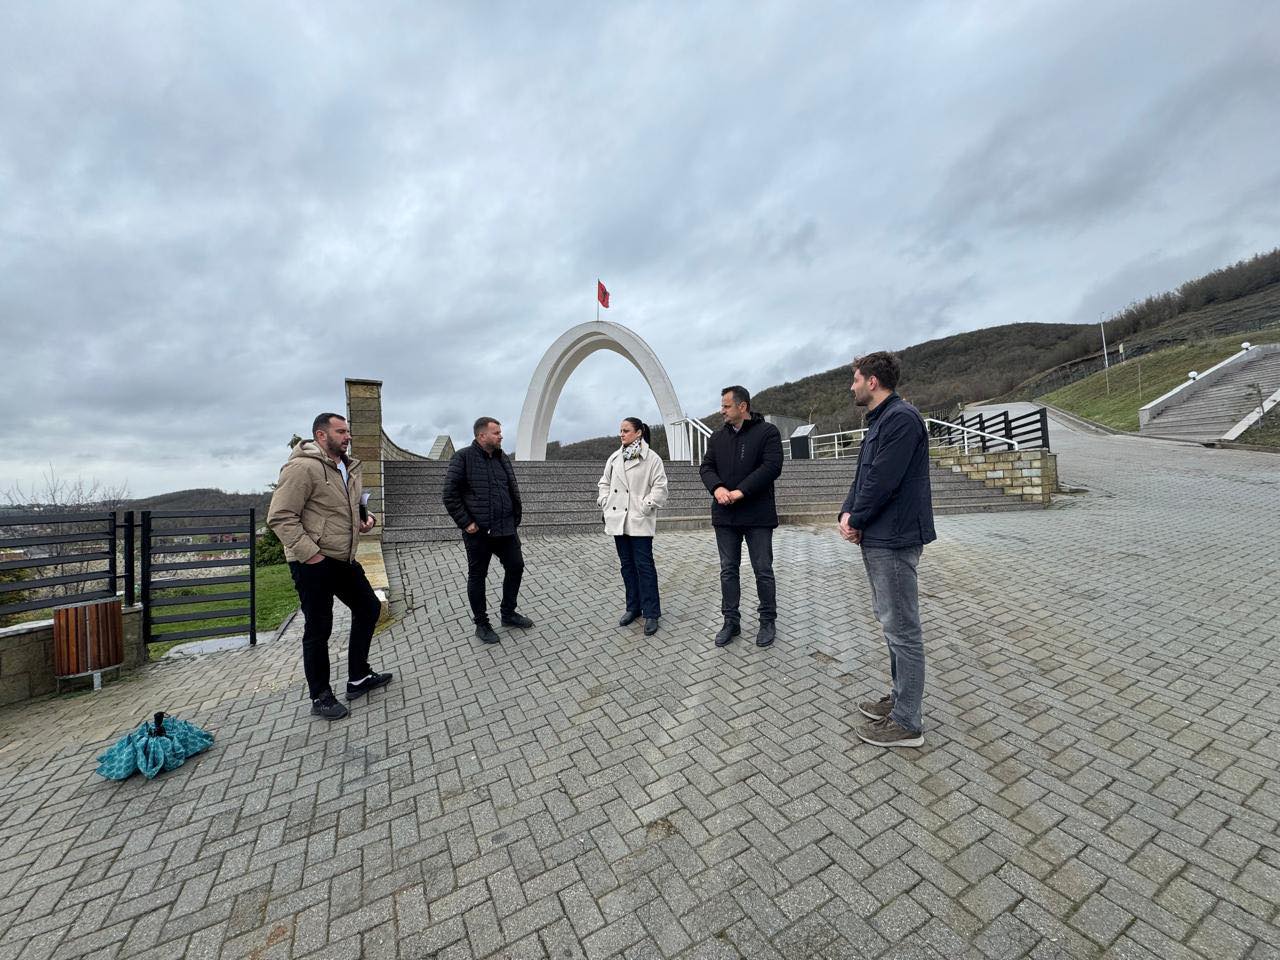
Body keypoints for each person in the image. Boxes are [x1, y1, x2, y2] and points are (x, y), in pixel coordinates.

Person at [838, 352, 936, 749]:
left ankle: (908, 722)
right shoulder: (882, 420)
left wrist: (857, 518)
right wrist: (848, 512)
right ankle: (899, 700)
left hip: (893, 538)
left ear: (873, 381)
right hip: (880, 535)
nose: (852, 385)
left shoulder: (900, 419)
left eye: (856, 378)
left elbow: (883, 480)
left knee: (903, 629)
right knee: (891, 624)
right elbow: (864, 473)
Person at [268, 413, 391, 721]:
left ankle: (358, 677)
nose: (347, 436)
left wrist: (366, 518)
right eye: (340, 431)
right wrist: (312, 555)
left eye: (348, 431)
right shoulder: (302, 467)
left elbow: (348, 507)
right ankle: (320, 696)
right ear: (321, 436)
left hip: (343, 557)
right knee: (319, 628)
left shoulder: (345, 466)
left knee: (368, 608)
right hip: (312, 562)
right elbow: (280, 516)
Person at [699, 385, 784, 648]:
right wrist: (719, 488)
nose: (721, 411)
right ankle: (730, 622)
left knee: (763, 570)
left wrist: (740, 492)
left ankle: (767, 621)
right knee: (728, 570)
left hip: (757, 515)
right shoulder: (717, 438)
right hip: (725, 517)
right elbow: (706, 467)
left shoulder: (767, 433)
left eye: (726, 406)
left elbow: (771, 467)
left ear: (742, 407)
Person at [442, 417, 534, 644]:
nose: (501, 436)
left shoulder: (502, 457)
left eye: (500, 432)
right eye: (496, 433)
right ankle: (482, 624)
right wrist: (466, 522)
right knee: (477, 577)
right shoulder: (462, 458)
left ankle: (508, 613)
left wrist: (515, 516)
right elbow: (449, 494)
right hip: (479, 533)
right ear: (481, 436)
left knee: (516, 567)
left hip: (506, 528)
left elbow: (510, 488)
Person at [597, 417, 669, 636]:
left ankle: (651, 613)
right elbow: (604, 483)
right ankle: (633, 607)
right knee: (627, 566)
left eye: (626, 430)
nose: (621, 434)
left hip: (639, 520)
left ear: (638, 433)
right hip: (619, 520)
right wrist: (604, 501)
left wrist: (644, 505)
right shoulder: (614, 457)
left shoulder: (652, 459)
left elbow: (660, 488)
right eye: (620, 430)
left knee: (644, 567)